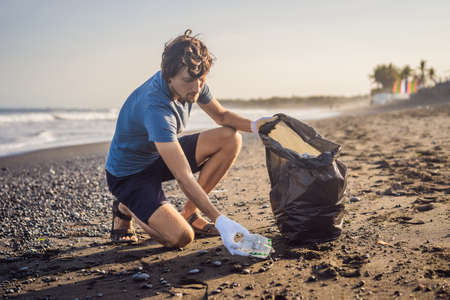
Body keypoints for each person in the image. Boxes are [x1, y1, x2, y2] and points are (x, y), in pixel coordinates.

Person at [105, 29, 274, 255]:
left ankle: (190, 212)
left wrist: (256, 126)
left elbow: (221, 116)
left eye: (201, 80)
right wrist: (222, 222)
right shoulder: (155, 108)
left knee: (230, 138)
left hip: (157, 156)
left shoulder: (193, 79)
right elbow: (184, 177)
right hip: (129, 176)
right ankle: (126, 206)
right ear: (169, 76)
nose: (196, 88)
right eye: (188, 81)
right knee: (181, 237)